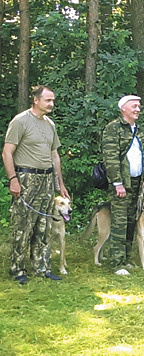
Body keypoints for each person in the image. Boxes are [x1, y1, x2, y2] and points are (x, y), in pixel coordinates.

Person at [2, 85, 70, 284]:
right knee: (23, 225)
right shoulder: (21, 121)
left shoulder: (50, 124)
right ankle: (18, 269)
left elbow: (54, 155)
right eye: (48, 100)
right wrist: (13, 179)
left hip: (47, 180)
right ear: (36, 100)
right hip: (26, 179)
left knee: (45, 225)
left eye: (53, 100)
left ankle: (42, 267)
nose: (51, 104)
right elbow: (7, 152)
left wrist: (60, 184)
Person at [102, 95, 144, 275]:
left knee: (132, 222)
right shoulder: (113, 128)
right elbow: (111, 158)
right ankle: (116, 263)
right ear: (123, 108)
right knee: (119, 223)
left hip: (137, 184)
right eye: (134, 106)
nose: (138, 109)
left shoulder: (139, 129)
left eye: (139, 106)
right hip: (121, 184)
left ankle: (126, 258)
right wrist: (117, 183)